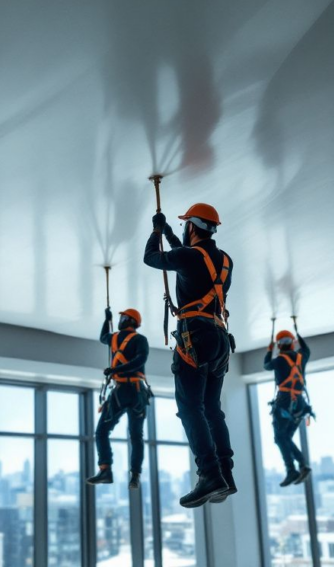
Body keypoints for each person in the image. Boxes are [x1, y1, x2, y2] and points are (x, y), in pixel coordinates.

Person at [144, 203, 236, 507]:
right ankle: (225, 472)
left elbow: (151, 258)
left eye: (185, 225)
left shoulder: (188, 256)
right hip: (219, 338)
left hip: (195, 338)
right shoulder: (225, 261)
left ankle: (209, 473)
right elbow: (187, 257)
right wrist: (169, 232)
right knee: (212, 409)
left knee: (189, 407)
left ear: (193, 227)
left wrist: (157, 231)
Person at [87, 308, 151, 490]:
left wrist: (116, 370)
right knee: (102, 431)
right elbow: (103, 337)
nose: (120, 319)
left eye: (123, 317)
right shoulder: (114, 338)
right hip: (124, 390)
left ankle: (135, 475)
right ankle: (105, 470)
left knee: (135, 435)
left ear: (130, 320)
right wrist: (106, 320)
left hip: (133, 390)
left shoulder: (140, 340)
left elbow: (140, 360)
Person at [265, 327, 313, 487]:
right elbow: (306, 349)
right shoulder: (301, 357)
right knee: (284, 438)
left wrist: (269, 350)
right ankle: (300, 466)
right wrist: (298, 335)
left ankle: (295, 468)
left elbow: (266, 365)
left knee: (280, 438)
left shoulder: (278, 360)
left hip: (285, 403)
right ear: (293, 344)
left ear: (279, 345)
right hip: (300, 404)